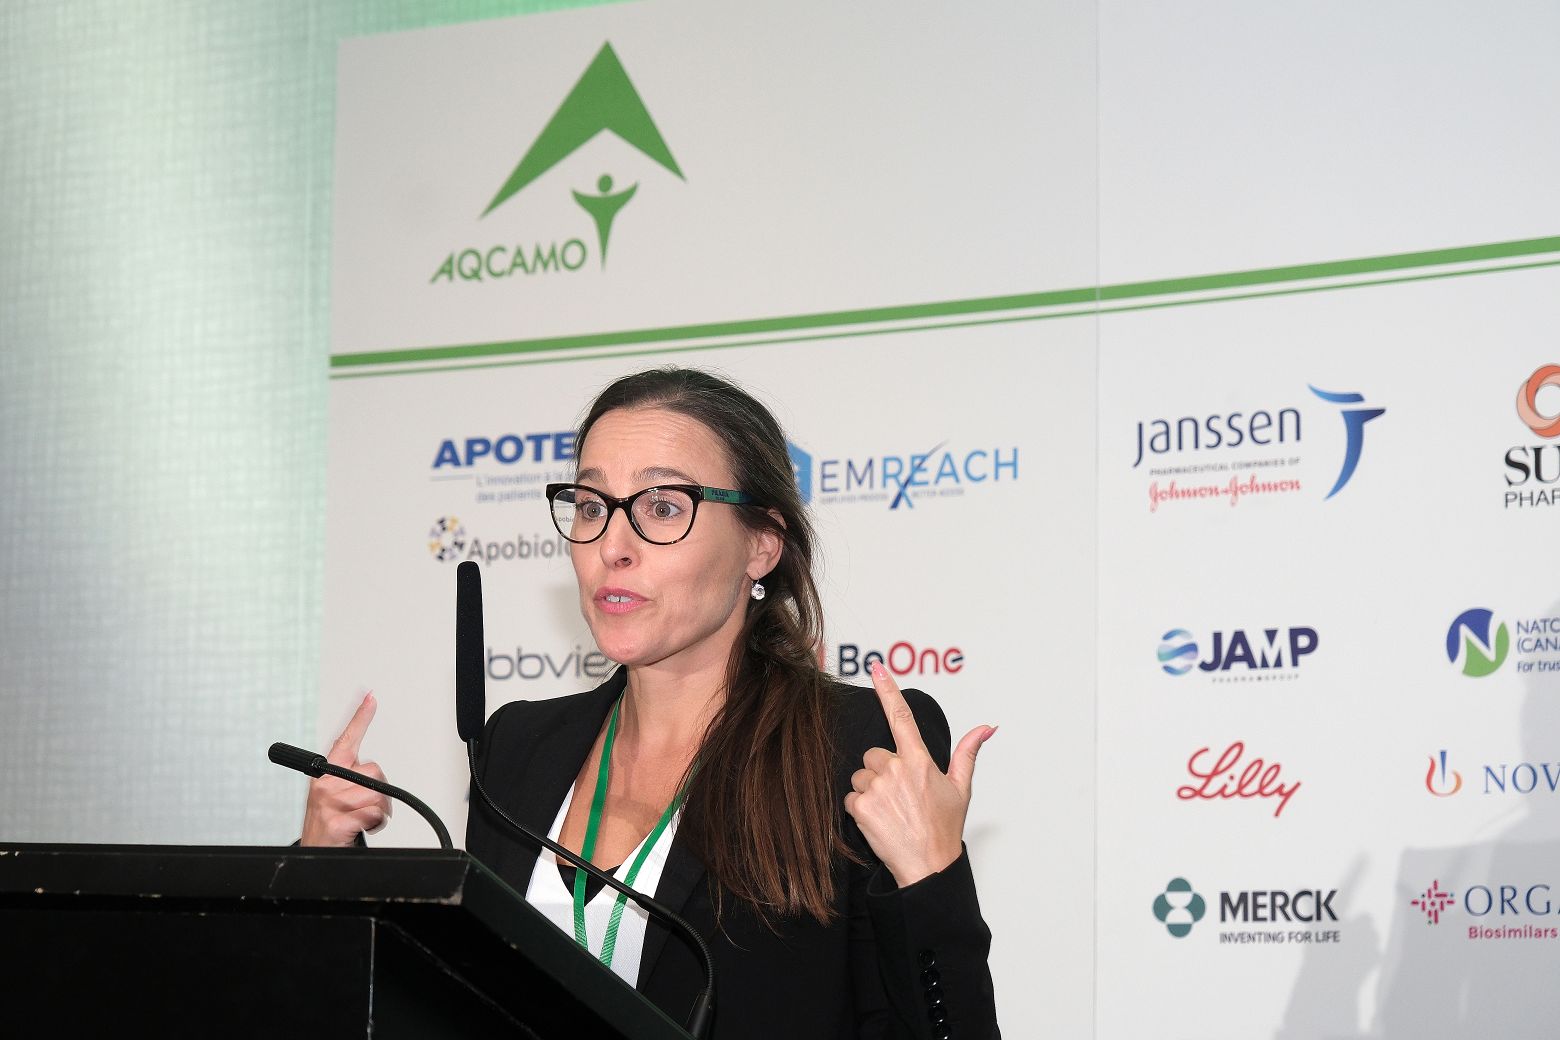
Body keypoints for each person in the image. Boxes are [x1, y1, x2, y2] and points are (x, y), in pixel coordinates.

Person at [301, 367, 1000, 1038]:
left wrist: (930, 881)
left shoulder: (857, 744)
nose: (613, 546)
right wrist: (325, 867)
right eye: (591, 505)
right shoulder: (517, 746)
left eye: (662, 507)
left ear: (762, 545)